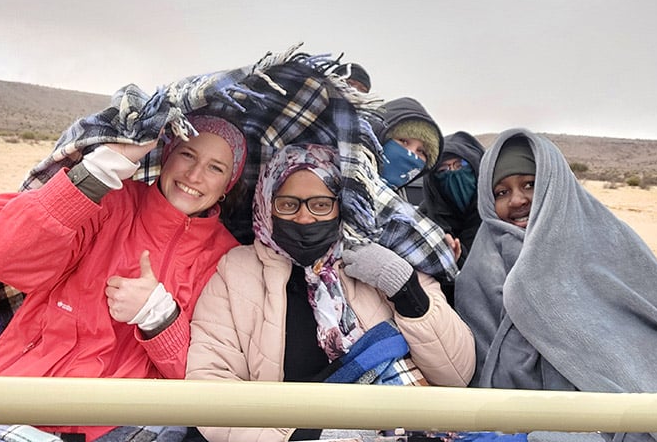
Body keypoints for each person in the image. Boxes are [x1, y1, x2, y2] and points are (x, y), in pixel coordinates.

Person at [0, 114, 247, 442]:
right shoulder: (107, 200)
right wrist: (99, 171)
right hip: (27, 396)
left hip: (131, 418)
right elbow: (0, 255)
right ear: (166, 156)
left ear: (228, 185)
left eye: (216, 168)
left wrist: (160, 317)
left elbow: (207, 376)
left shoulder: (228, 259)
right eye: (187, 154)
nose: (195, 175)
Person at [455, 129, 657, 441]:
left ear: (552, 184)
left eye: (530, 184)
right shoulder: (479, 270)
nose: (517, 200)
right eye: (501, 192)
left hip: (623, 411)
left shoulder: (609, 239)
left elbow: (651, 330)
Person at [186, 143, 475, 442]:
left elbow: (456, 373)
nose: (304, 218)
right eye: (288, 204)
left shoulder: (388, 258)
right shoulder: (235, 273)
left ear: (341, 205)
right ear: (265, 203)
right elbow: (211, 385)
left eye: (321, 204)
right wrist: (298, 437)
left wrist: (406, 291)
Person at [418, 131, 485, 303]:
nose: (453, 174)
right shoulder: (423, 223)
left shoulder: (501, 214)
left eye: (460, 165)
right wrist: (445, 264)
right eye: (443, 170)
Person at [373, 97, 443, 202]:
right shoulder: (342, 188)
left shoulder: (402, 211)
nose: (410, 154)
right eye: (403, 141)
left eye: (421, 151)